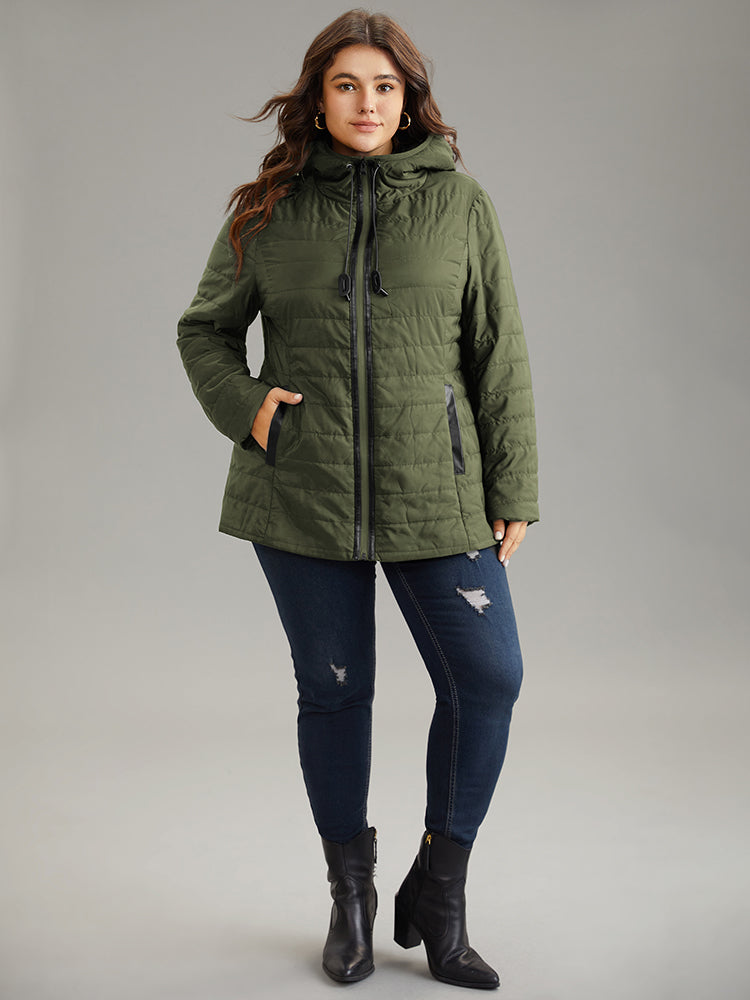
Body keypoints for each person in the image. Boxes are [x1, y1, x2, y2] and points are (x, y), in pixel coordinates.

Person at [177, 8, 538, 990]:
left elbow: (498, 350)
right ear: (319, 98)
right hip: (303, 489)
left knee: (489, 678)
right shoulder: (269, 208)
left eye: (384, 86)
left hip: (437, 487)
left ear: (408, 100)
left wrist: (514, 483)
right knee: (335, 692)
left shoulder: (460, 204)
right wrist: (253, 410)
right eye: (346, 85)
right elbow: (204, 332)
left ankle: (440, 889)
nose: (366, 103)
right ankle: (350, 898)